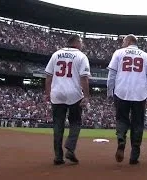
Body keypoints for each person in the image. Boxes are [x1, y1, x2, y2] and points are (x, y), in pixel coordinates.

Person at [107, 34, 147, 165]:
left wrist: (109, 92)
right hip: (139, 94)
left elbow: (111, 74)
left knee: (121, 119)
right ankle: (134, 155)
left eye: (123, 41)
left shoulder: (118, 53)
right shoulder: (145, 56)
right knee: (138, 123)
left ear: (129, 41)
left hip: (121, 91)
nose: (122, 43)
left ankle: (121, 140)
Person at [45, 34, 91, 165]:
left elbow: (48, 76)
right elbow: (84, 78)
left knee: (58, 124)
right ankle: (70, 147)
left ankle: (58, 156)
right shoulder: (81, 56)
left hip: (57, 93)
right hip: (74, 94)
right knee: (75, 122)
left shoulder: (56, 54)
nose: (82, 44)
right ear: (76, 43)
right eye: (81, 42)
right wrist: (86, 96)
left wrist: (47, 93)